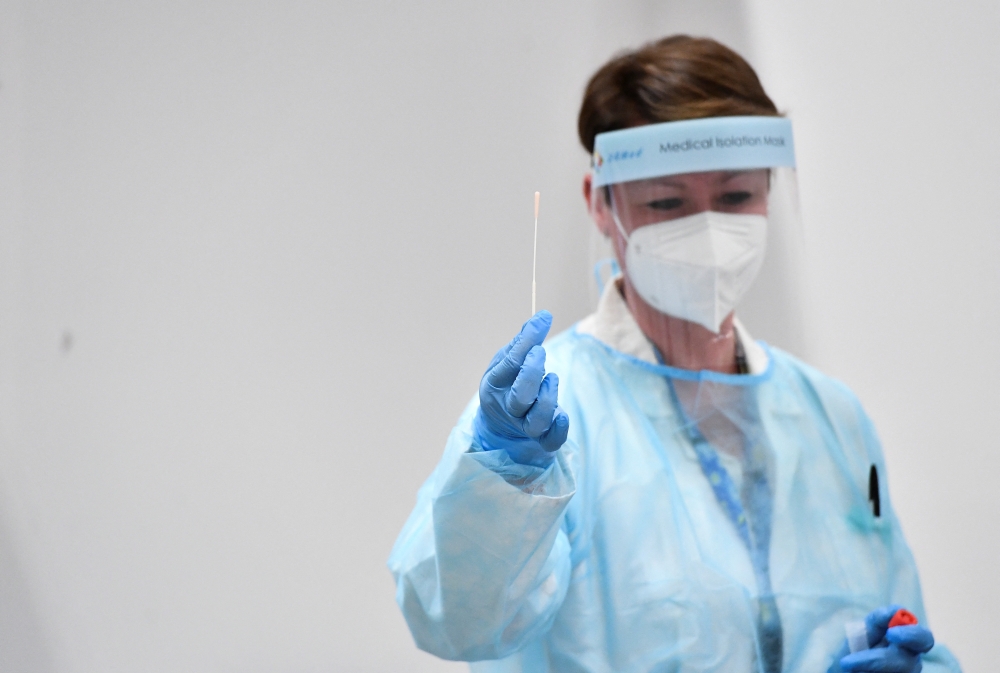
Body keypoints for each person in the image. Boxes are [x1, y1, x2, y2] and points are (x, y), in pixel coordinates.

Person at [388, 36, 962, 673]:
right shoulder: (541, 420)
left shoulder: (830, 417)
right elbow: (454, 622)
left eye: (737, 196)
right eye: (666, 203)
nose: (710, 230)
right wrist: (505, 485)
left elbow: (905, 622)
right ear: (600, 203)